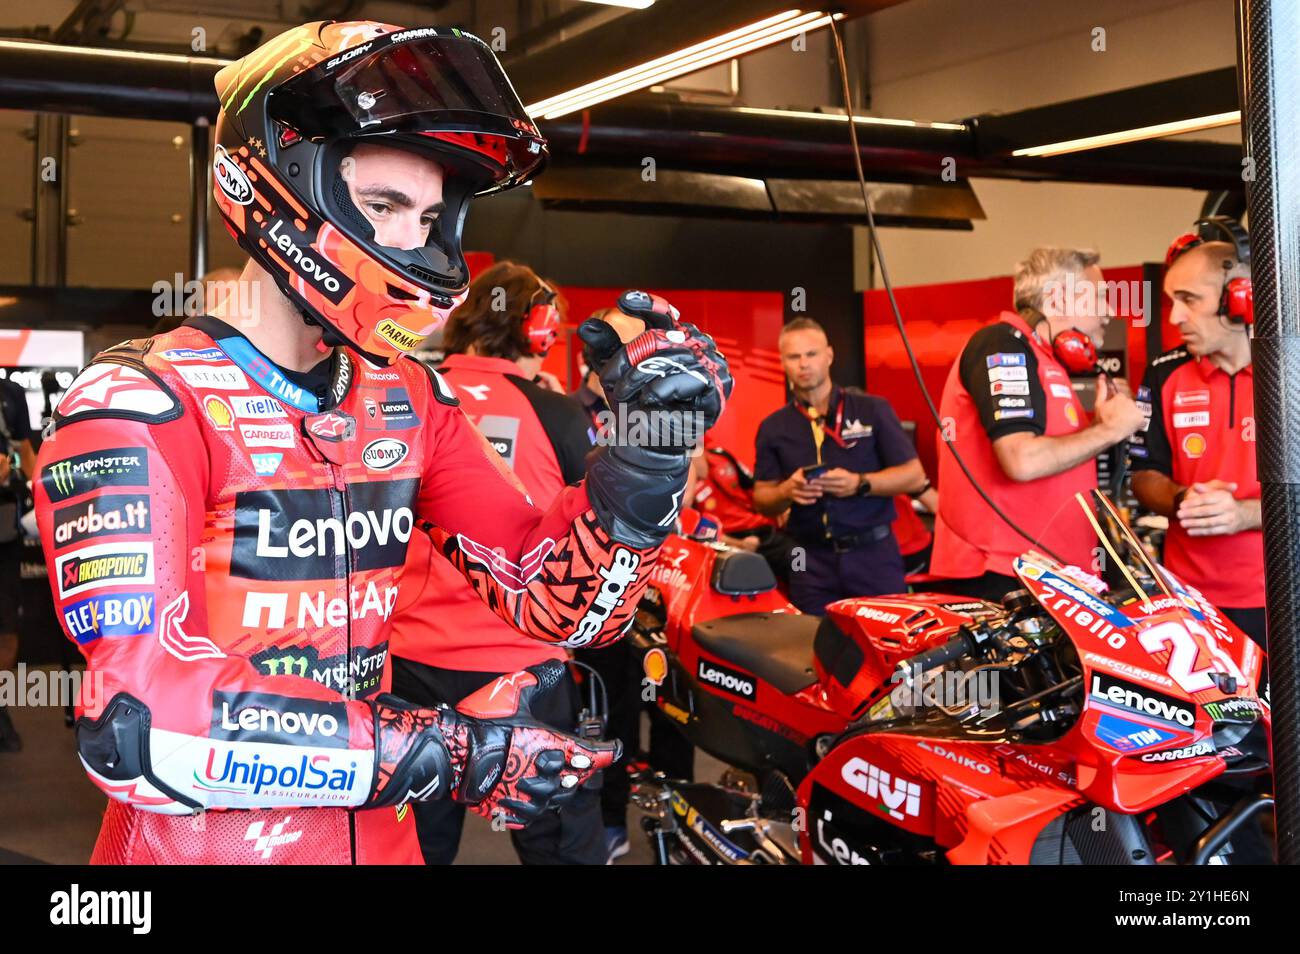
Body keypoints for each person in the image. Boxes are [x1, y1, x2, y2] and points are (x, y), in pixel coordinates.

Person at [31, 19, 730, 865]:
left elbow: (561, 606)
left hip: (382, 844)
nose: (411, 242)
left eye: (430, 215)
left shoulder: (407, 399)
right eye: (384, 206)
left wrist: (647, 459)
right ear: (276, 183)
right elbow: (140, 724)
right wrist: (448, 754)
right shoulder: (136, 404)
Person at [389, 260, 607, 864]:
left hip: (409, 662)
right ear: (541, 331)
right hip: (524, 667)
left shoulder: (405, 393)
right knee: (561, 847)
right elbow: (603, 530)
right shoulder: (559, 414)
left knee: (414, 846)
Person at [930, 247, 1146, 602]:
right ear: (1059, 299)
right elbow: (1022, 460)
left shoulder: (1049, 361)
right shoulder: (1002, 343)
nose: (1108, 311)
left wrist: (1100, 423)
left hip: (1057, 574)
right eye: (1100, 299)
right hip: (1005, 575)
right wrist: (1109, 430)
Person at [1129, 219, 1264, 647]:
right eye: (1172, 301)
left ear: (1240, 300)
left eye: (1189, 300)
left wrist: (1244, 514)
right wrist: (1182, 499)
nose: (1174, 317)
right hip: (1186, 601)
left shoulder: (1289, 373)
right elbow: (1143, 473)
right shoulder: (1163, 372)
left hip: (1279, 599)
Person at [752, 318, 924, 613]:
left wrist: (860, 483)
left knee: (887, 648)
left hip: (874, 555)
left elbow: (914, 476)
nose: (804, 364)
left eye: (812, 354)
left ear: (829, 356)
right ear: (782, 362)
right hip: (809, 559)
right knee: (811, 650)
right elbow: (762, 499)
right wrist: (786, 491)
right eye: (794, 357)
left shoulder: (873, 410)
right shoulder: (773, 427)